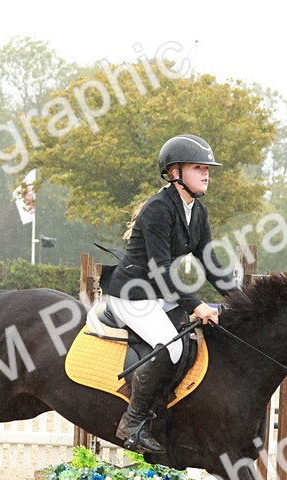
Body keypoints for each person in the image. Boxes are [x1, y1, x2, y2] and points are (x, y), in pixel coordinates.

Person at [102, 134, 238, 457]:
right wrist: (196, 305)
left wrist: (242, 300)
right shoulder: (158, 210)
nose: (206, 173)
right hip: (132, 295)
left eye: (207, 168)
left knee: (193, 340)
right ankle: (132, 421)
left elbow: (211, 265)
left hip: (157, 294)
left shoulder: (198, 212)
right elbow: (162, 271)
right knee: (173, 345)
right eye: (197, 167)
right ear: (175, 172)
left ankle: (162, 414)